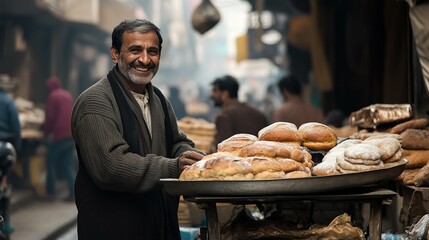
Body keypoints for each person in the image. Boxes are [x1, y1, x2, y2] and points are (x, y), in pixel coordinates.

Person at [71, 19, 204, 240]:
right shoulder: (95, 102)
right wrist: (173, 167)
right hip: (115, 230)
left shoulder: (158, 98)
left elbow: (176, 141)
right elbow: (111, 166)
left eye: (152, 51)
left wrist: (188, 155)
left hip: (157, 226)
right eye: (135, 50)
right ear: (115, 54)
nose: (144, 59)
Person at [210, 75, 269, 145]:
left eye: (215, 91)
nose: (211, 95)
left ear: (225, 94)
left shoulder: (224, 117)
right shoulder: (259, 114)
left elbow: (221, 149)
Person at [43, 76, 76, 201]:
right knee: (67, 165)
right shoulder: (67, 95)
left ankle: (51, 192)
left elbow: (50, 118)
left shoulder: (53, 97)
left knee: (50, 162)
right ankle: (73, 194)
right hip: (70, 135)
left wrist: (45, 133)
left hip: (59, 136)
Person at [0, 74, 21, 238]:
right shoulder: (7, 101)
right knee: (5, 186)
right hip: (5, 148)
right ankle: (5, 223)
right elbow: (16, 126)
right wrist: (17, 149)